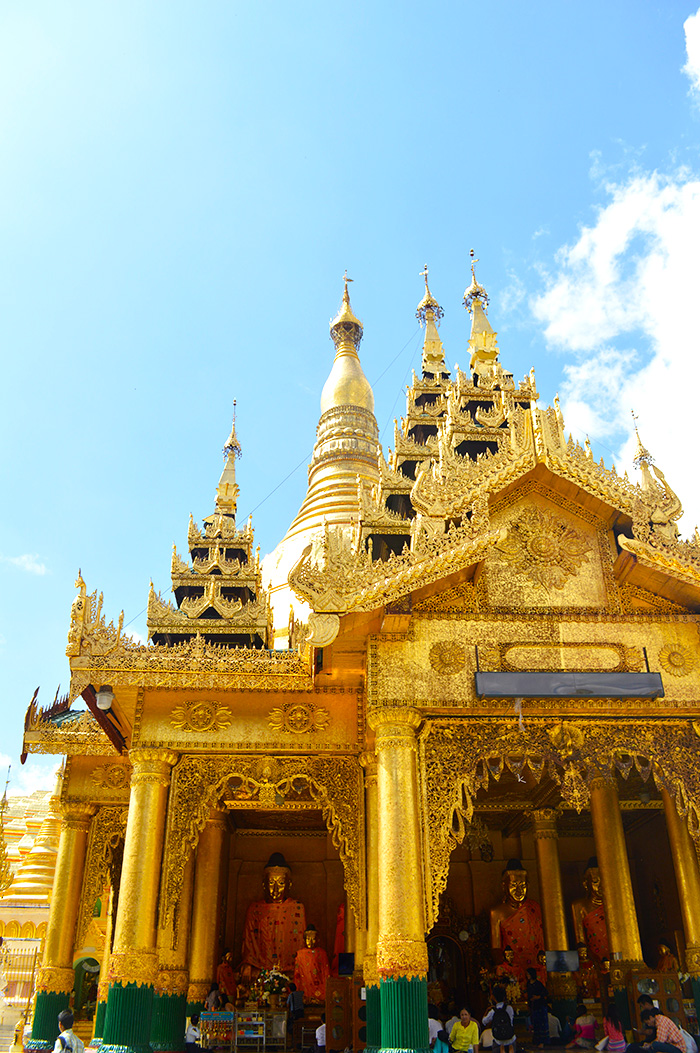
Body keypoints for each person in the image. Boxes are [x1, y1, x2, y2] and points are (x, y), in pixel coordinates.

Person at [240, 853, 307, 979]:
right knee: (247, 973)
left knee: (300, 974)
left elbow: (301, 947)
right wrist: (249, 964)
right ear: (264, 884)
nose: (275, 890)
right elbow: (249, 949)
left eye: (281, 883)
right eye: (271, 883)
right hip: (260, 968)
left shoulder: (297, 908)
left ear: (289, 884)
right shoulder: (255, 909)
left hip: (288, 969)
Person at [490, 860, 544, 986]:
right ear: (504, 886)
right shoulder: (497, 912)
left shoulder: (535, 907)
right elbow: (496, 947)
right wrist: (504, 962)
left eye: (522, 885)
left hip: (536, 962)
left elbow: (544, 941)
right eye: (514, 885)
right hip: (513, 965)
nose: (519, 890)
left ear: (528, 885)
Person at [571, 859, 609, 963]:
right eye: (595, 881)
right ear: (585, 884)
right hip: (594, 958)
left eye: (604, 880)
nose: (601, 886)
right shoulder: (579, 906)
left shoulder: (615, 906)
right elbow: (580, 941)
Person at [294, 924, 330, 1003]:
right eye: (308, 939)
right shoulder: (300, 954)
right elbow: (297, 974)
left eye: (313, 939)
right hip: (305, 984)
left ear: (317, 940)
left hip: (318, 985)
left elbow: (326, 972)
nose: (310, 942)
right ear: (304, 940)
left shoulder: (322, 953)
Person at [482, 985, 515, 1053]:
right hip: (510, 1039)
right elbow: (511, 1022)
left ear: (493, 997)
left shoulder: (493, 1011)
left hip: (498, 1041)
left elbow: (484, 1022)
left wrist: (486, 1011)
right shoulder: (509, 1008)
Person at [526, 967, 549, 1049]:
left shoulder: (538, 984)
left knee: (541, 1024)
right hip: (533, 1007)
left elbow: (545, 993)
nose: (527, 976)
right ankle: (536, 1041)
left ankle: (542, 1042)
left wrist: (538, 997)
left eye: (528, 974)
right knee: (535, 1025)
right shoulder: (528, 984)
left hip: (540, 1006)